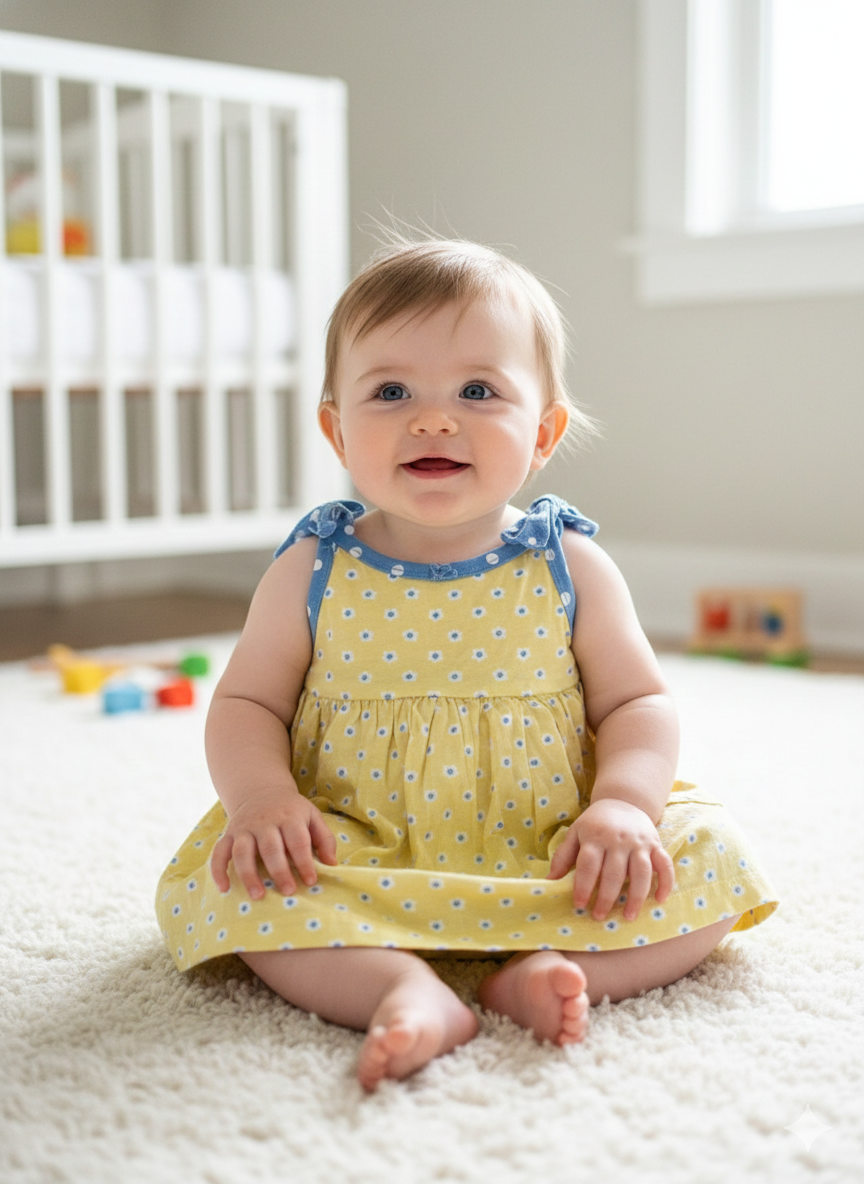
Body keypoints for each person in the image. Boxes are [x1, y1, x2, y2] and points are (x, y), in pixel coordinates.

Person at [156, 237, 777, 1091]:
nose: (434, 418)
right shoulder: (312, 566)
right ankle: (401, 989)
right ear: (337, 429)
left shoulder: (568, 561)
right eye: (391, 391)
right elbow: (246, 705)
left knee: (709, 858)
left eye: (478, 391)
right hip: (358, 837)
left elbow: (637, 699)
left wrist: (625, 808)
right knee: (242, 886)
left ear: (544, 432)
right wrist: (264, 801)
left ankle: (545, 970)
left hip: (556, 840)